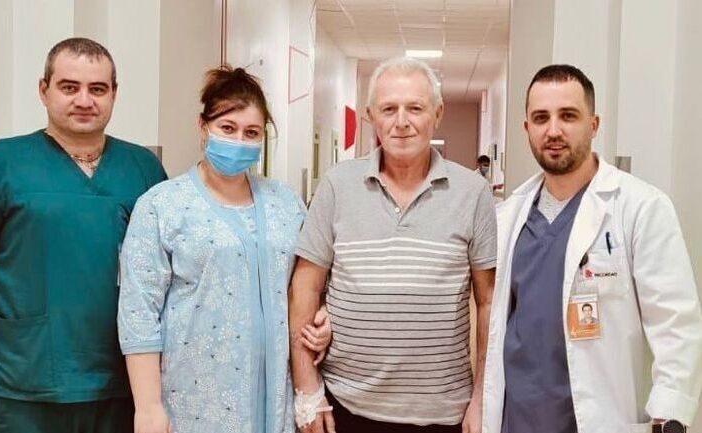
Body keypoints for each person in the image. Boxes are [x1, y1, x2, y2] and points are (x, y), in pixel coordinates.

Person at [0, 37, 167, 433]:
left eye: (98, 89)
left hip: (122, 381)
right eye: (69, 87)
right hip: (29, 383)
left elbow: (163, 270)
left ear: (114, 94)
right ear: (43, 90)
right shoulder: (0, 163)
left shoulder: (143, 168)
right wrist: (17, 321)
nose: (84, 100)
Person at [482, 64, 702, 433]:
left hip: (599, 420)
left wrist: (670, 415)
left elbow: (675, 322)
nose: (554, 130)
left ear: (594, 124)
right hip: (516, 421)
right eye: (541, 118)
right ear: (527, 128)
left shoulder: (639, 206)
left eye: (568, 116)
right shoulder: (509, 217)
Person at [117, 65, 331, 433]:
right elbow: (139, 313)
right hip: (195, 401)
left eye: (251, 133)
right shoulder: (162, 206)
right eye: (227, 128)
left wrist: (322, 318)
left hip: (276, 402)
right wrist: (148, 408)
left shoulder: (286, 205)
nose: (239, 141)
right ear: (202, 127)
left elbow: (305, 288)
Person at [289, 56, 497, 433]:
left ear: (437, 113)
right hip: (344, 406)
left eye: (415, 108)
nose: (401, 121)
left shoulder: (473, 192)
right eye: (388, 109)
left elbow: (488, 302)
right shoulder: (337, 185)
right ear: (371, 116)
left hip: (442, 413)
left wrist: (482, 397)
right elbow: (305, 286)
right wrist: (307, 389)